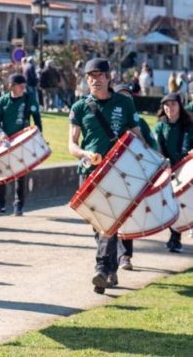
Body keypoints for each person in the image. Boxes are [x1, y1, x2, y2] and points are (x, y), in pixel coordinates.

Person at [69, 59, 142, 294]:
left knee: (108, 221)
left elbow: (136, 135)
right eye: (91, 75)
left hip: (117, 172)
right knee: (97, 223)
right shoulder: (80, 107)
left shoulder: (124, 103)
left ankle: (101, 269)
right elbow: (71, 144)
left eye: (99, 74)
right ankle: (110, 269)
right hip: (89, 171)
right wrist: (84, 153)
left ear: (109, 77)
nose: (95, 79)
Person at [113, 84, 158, 271]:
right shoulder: (109, 118)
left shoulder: (140, 121)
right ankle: (110, 256)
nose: (126, 100)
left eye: (128, 97)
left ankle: (125, 255)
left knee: (126, 214)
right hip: (112, 170)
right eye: (122, 96)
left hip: (132, 171)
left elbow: (150, 144)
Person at [0, 73, 42, 216]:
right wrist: (1, 133)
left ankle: (18, 206)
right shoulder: (2, 101)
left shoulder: (29, 99)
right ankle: (0, 204)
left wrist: (38, 136)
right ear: (11, 86)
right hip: (6, 140)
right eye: (20, 85)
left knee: (20, 173)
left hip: (22, 140)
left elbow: (37, 120)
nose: (23, 88)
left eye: (24, 85)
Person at [153, 92, 193, 253]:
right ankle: (174, 239)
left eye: (173, 104)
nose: (169, 108)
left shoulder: (189, 125)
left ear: (180, 106)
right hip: (169, 169)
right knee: (174, 204)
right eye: (166, 105)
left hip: (188, 167)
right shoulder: (160, 126)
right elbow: (158, 148)